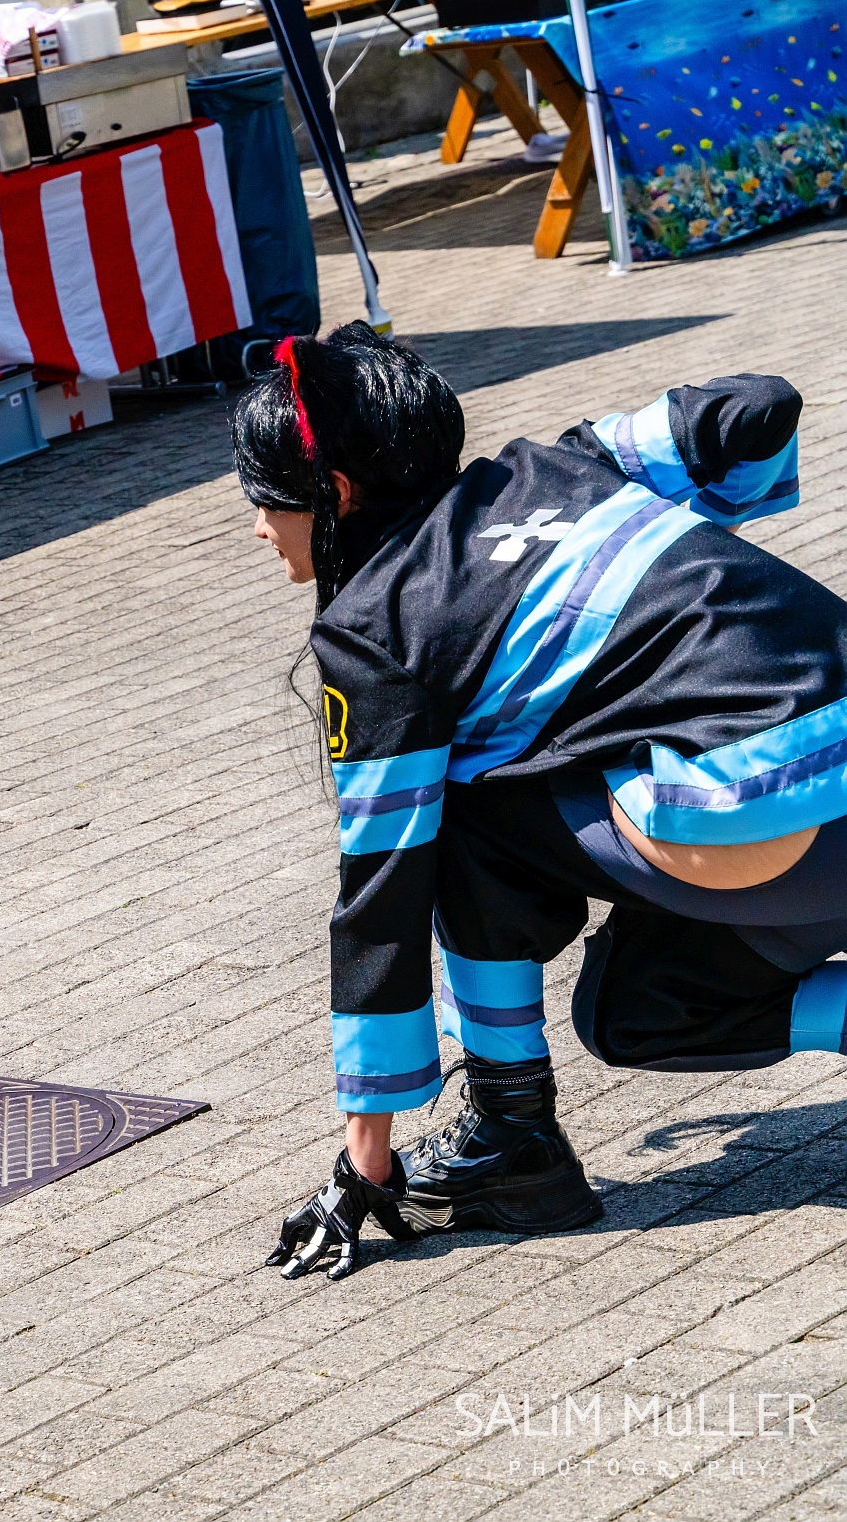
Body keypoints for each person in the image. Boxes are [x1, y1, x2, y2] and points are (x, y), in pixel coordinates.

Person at [234, 324, 847, 1281]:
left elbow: (382, 896)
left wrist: (365, 1155)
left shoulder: (375, 633)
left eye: (263, 500)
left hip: (775, 811)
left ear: (337, 493)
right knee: (639, 1013)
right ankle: (514, 1140)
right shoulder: (563, 463)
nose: (257, 526)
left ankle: (513, 1138)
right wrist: (695, 507)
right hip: (820, 784)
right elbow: (758, 407)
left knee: (457, 802)